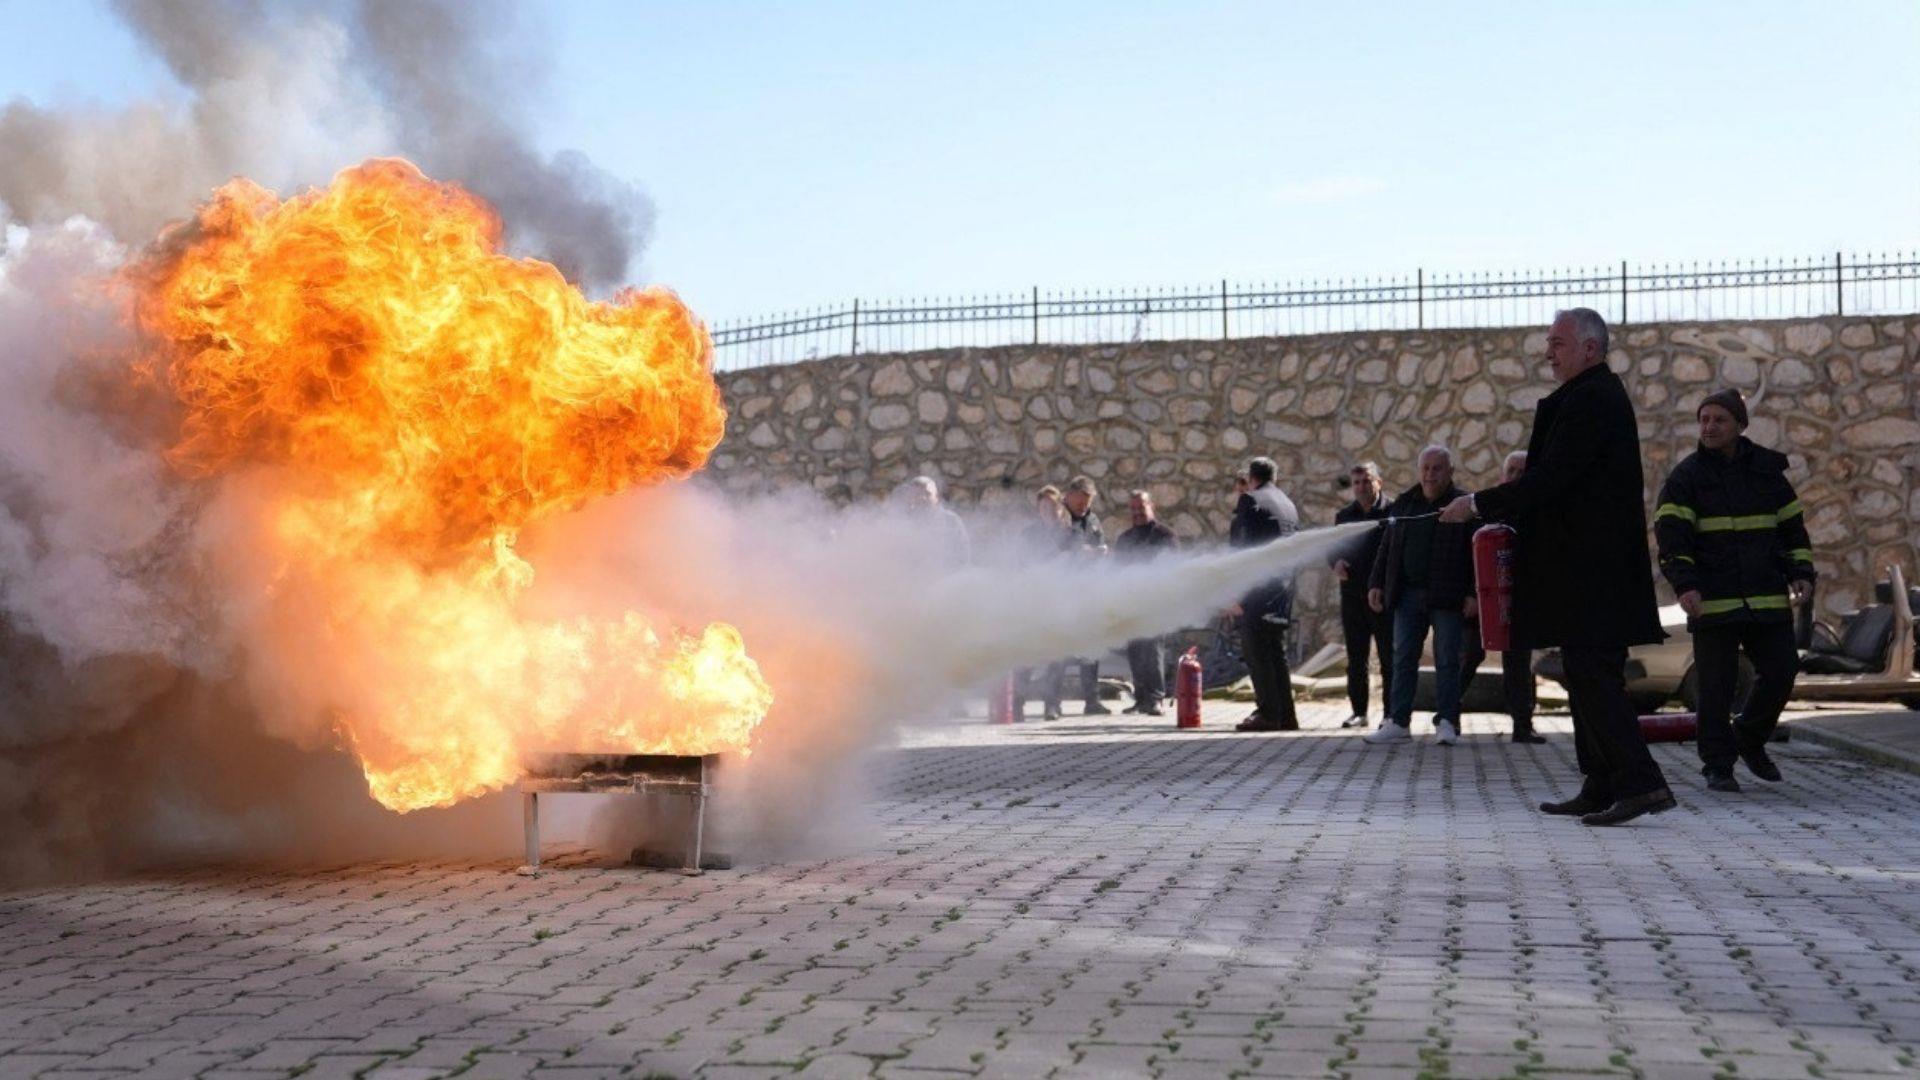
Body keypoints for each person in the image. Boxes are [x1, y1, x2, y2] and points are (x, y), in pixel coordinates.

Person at [1440, 308, 1674, 827]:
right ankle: (1601, 782)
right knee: (1584, 671)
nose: (1549, 352)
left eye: (1558, 343)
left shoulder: (1593, 400)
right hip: (1584, 571)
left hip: (1596, 573)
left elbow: (1550, 480)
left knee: (1593, 673)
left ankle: (1642, 782)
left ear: (1590, 349)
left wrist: (1478, 503)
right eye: (1549, 342)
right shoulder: (1585, 397)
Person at [1654, 388, 1814, 792]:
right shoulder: (1685, 478)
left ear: (1740, 426)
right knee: (1715, 686)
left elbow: (1793, 530)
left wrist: (1801, 571)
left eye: (1719, 419)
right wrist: (1686, 586)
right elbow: (1673, 539)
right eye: (1704, 419)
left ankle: (1749, 737)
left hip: (1765, 597)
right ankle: (1718, 765)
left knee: (1782, 671)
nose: (1709, 426)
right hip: (1713, 602)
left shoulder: (1768, 474)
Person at [1365, 446, 1475, 746]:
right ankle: (1398, 722)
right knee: (1402, 659)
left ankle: (1447, 722)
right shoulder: (1405, 503)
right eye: (1425, 468)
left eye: (1437, 468)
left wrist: (1472, 594)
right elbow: (1387, 547)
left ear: (1450, 472)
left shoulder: (1463, 505)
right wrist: (1376, 583)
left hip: (1448, 596)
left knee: (1448, 660)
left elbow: (1475, 554)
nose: (1430, 475)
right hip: (1407, 595)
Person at [1459, 451, 1544, 743]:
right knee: (1468, 656)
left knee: (1519, 664)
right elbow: (1470, 556)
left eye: (1523, 472)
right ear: (1502, 475)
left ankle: (1523, 724)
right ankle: (1447, 714)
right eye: (1512, 471)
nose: (1516, 477)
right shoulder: (1486, 511)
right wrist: (1470, 595)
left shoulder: (1537, 514)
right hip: (1482, 599)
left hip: (1519, 601)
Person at [1229, 456, 1301, 732]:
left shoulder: (1251, 499)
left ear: (1251, 477)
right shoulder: (1287, 503)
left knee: (1256, 651)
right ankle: (1286, 714)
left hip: (1257, 590)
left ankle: (1268, 713)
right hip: (1282, 588)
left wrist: (1236, 592)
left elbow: (1242, 550)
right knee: (1275, 651)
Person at [1331, 461, 1394, 730]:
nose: (1361, 487)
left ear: (1378, 482)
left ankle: (1392, 715)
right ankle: (1359, 712)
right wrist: (1335, 563)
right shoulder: (1344, 516)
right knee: (1357, 659)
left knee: (1388, 658)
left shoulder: (1392, 512)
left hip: (1383, 599)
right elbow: (1332, 549)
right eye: (1356, 482)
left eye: (1366, 481)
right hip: (1352, 598)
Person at [1115, 490, 1179, 715]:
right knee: (1135, 651)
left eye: (1141, 508)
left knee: (1152, 650)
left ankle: (1155, 698)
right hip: (1132, 603)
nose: (1137, 513)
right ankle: (1141, 699)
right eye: (1133, 509)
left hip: (1155, 603)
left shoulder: (1165, 536)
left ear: (1152, 506)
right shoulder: (1124, 539)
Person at [1014, 485, 1073, 719]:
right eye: (1043, 505)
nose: (1048, 510)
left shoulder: (1071, 534)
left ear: (1060, 507)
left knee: (1056, 655)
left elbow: (1076, 563)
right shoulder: (1029, 535)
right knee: (1025, 653)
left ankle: (1052, 704)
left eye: (1052, 505)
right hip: (1033, 600)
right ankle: (1017, 703)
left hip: (1061, 601)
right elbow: (1021, 563)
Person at [1061, 476, 1112, 716]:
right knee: (1058, 647)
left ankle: (1092, 701)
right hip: (1063, 592)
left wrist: (1100, 554)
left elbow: (1098, 542)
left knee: (1092, 647)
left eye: (1087, 503)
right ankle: (1053, 703)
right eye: (1080, 503)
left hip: (1089, 591)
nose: (1083, 508)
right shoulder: (1059, 517)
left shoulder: (1092, 519)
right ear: (1069, 496)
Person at [897, 475, 971, 562]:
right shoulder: (903, 522)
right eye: (917, 494)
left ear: (936, 497)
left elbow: (963, 556)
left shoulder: (951, 521)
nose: (922, 498)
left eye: (927, 494)